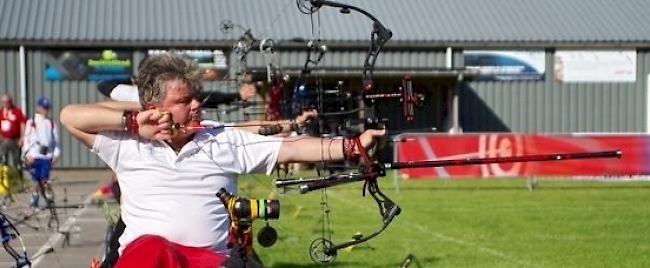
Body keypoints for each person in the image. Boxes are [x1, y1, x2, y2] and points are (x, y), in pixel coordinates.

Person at [60, 53, 385, 268]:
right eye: (184, 101)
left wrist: (353, 145)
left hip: (209, 261)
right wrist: (134, 124)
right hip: (149, 259)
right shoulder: (127, 143)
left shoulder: (219, 138)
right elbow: (70, 116)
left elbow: (291, 149)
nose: (197, 105)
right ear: (153, 106)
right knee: (151, 248)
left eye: (197, 97)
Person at [98, 77, 258, 108]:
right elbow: (103, 85)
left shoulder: (130, 93)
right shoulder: (133, 94)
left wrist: (134, 80)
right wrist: (237, 95)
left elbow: (105, 86)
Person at [22, 97, 60, 210]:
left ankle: (48, 197)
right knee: (35, 179)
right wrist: (26, 153)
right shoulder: (31, 121)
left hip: (46, 156)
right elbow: (26, 139)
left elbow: (56, 141)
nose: (45, 110)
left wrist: (56, 154)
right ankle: (34, 198)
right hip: (34, 155)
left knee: (44, 179)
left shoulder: (51, 123)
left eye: (47, 108)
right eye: (43, 108)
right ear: (38, 108)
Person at [0, 94, 26, 171]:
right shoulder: (1, 112)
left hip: (15, 140)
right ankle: (5, 179)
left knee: (17, 161)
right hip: (4, 140)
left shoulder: (17, 111)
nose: (6, 103)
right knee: (3, 160)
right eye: (4, 102)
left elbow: (22, 124)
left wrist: (22, 138)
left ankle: (18, 179)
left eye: (7, 102)